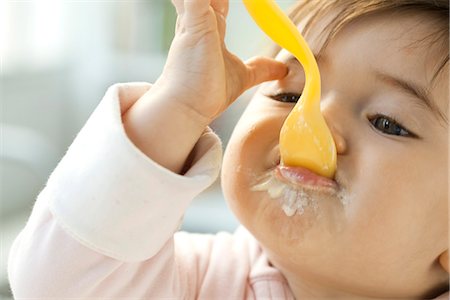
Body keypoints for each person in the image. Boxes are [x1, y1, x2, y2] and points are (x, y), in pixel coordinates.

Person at [8, 0, 449, 298]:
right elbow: (57, 281)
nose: (310, 120)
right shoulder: (199, 280)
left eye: (387, 122)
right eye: (290, 95)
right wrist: (178, 106)